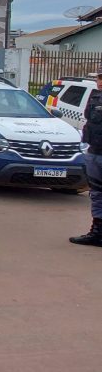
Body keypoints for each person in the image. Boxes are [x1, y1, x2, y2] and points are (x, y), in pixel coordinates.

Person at [70, 68, 102, 247]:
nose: (100, 81)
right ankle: (97, 232)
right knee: (96, 194)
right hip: (95, 151)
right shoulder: (95, 96)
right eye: (99, 77)